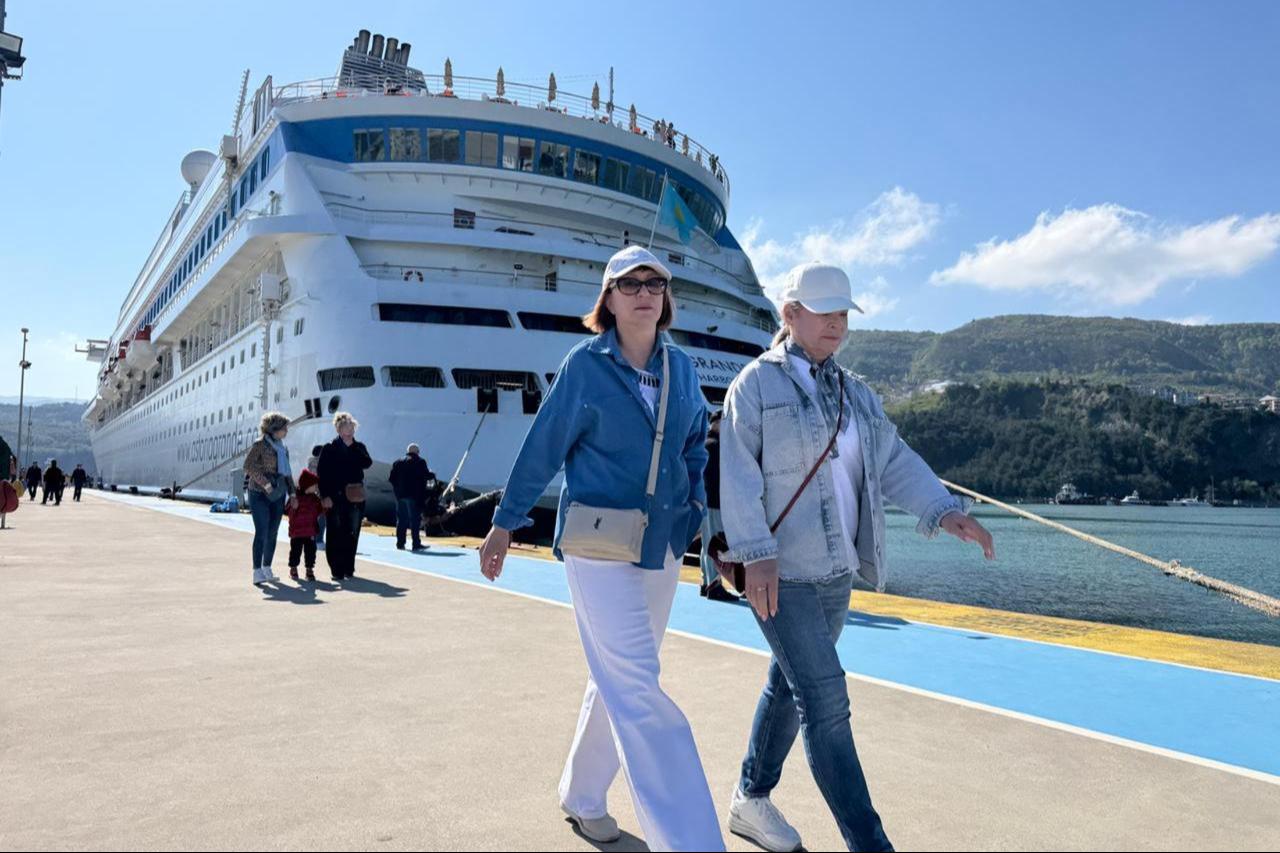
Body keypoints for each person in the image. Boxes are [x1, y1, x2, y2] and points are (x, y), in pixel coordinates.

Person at [719, 262, 996, 852]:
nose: (838, 323)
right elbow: (737, 475)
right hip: (779, 572)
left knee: (787, 686)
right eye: (825, 311)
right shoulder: (755, 386)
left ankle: (750, 796)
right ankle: (871, 845)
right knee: (826, 701)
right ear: (790, 314)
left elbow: (894, 461)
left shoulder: (857, 394)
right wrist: (755, 554)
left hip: (837, 572)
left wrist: (944, 511)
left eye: (843, 312)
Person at [478, 245, 723, 851]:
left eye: (655, 283)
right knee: (637, 685)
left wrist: (695, 504)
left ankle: (582, 795)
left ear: (665, 299)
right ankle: (692, 841)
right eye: (630, 283)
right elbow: (544, 446)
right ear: (608, 299)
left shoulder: (683, 369)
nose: (644, 291)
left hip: (663, 543)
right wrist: (504, 523)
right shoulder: (585, 365)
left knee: (617, 678)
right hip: (598, 543)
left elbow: (696, 441)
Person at [317, 412, 372, 582]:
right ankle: (336, 569)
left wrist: (353, 447)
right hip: (335, 496)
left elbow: (367, 463)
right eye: (347, 426)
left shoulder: (359, 447)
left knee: (353, 532)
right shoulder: (329, 448)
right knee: (335, 532)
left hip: (355, 496)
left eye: (352, 426)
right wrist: (324, 495)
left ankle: (349, 567)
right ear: (338, 428)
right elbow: (322, 473)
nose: (350, 429)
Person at [244, 413, 294, 586]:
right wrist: (265, 483)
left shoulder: (283, 448)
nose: (286, 430)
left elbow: (287, 472)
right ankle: (256, 570)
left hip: (278, 494)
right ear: (275, 429)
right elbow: (248, 466)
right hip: (259, 493)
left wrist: (292, 493)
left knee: (273, 532)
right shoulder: (259, 444)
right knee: (262, 531)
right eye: (284, 428)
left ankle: (267, 567)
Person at [698, 410, 738, 602]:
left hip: (707, 501)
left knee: (707, 544)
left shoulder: (705, 444)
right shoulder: (717, 446)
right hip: (715, 501)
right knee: (715, 545)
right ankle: (714, 585)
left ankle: (706, 582)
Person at [389, 443, 432, 551]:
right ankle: (416, 543)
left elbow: (391, 479)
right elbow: (426, 476)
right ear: (417, 452)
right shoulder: (420, 462)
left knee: (401, 520)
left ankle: (400, 543)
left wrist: (398, 491)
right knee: (415, 521)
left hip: (401, 496)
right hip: (414, 496)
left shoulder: (398, 462)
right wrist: (432, 474)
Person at [285, 468, 324, 582]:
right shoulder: (295, 497)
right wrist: (293, 507)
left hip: (310, 531)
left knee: (311, 552)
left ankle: (309, 569)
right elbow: (288, 511)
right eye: (314, 485)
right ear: (307, 485)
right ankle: (293, 568)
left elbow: (319, 510)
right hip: (297, 532)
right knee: (295, 551)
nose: (316, 487)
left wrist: (325, 506)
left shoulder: (314, 498)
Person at [306, 444, 327, 550]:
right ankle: (318, 540)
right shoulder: (321, 463)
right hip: (320, 494)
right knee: (322, 518)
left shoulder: (311, 462)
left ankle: (312, 539)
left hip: (312, 494)